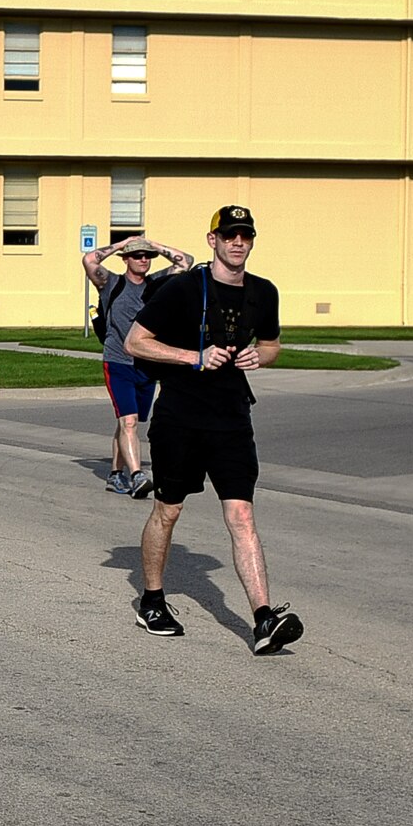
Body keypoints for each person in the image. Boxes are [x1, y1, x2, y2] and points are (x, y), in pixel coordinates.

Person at [124, 205, 302, 654]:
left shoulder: (264, 292)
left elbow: (272, 343)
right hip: (180, 416)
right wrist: (193, 357)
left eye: (245, 235)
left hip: (232, 418)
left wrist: (259, 356)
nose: (237, 242)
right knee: (169, 510)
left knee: (242, 515)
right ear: (213, 240)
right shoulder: (183, 288)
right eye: (229, 235)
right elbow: (136, 341)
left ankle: (263, 619)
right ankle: (151, 599)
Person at [83, 233, 192, 497]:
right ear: (126, 259)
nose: (143, 259)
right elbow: (89, 260)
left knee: (127, 422)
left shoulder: (159, 283)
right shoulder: (111, 283)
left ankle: (115, 473)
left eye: (147, 256)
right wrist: (123, 244)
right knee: (129, 421)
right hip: (117, 361)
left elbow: (186, 261)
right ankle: (137, 475)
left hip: (147, 364)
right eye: (137, 255)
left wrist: (153, 244)